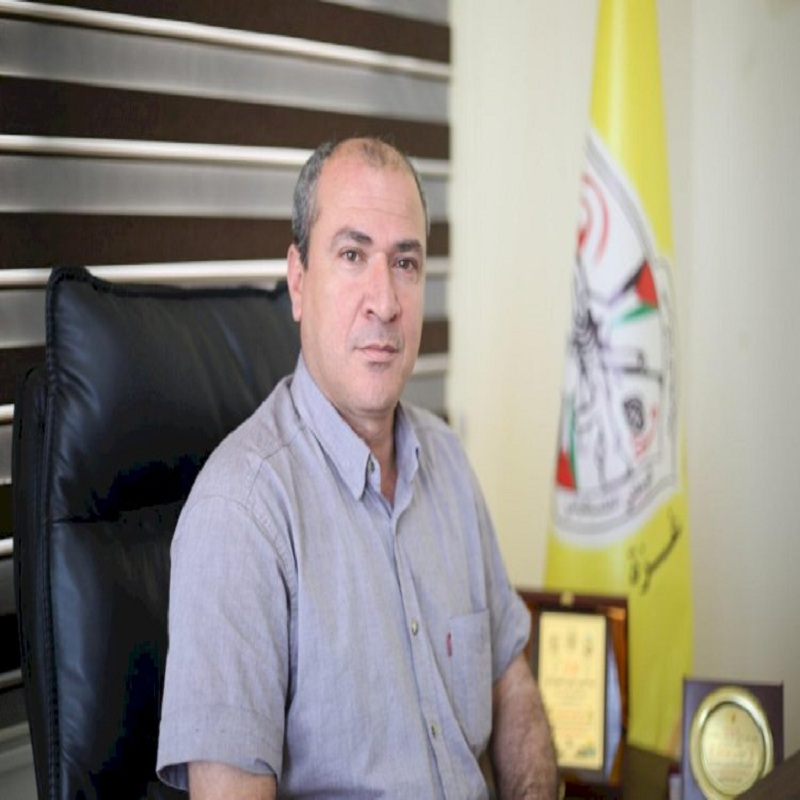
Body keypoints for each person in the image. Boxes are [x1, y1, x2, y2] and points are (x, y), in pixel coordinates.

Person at [156, 137, 558, 799]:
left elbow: (511, 686)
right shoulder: (240, 513)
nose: (385, 301)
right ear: (298, 281)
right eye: (352, 255)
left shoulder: (448, 461)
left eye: (405, 262)